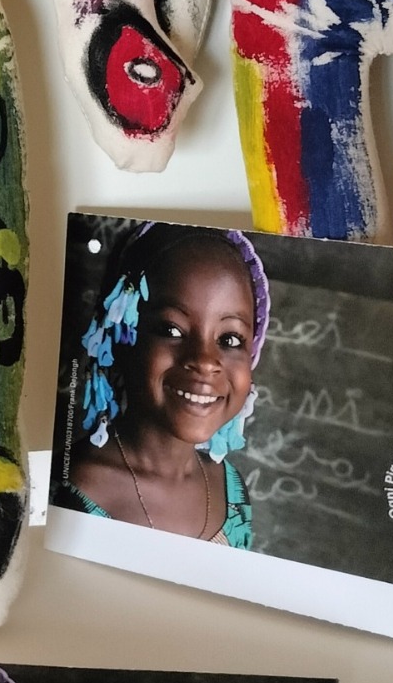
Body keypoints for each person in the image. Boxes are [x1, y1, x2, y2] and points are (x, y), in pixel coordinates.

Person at [62, 222, 267, 544]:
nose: (205, 361)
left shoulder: (232, 491)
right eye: (172, 330)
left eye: (229, 339)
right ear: (121, 337)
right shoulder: (70, 492)